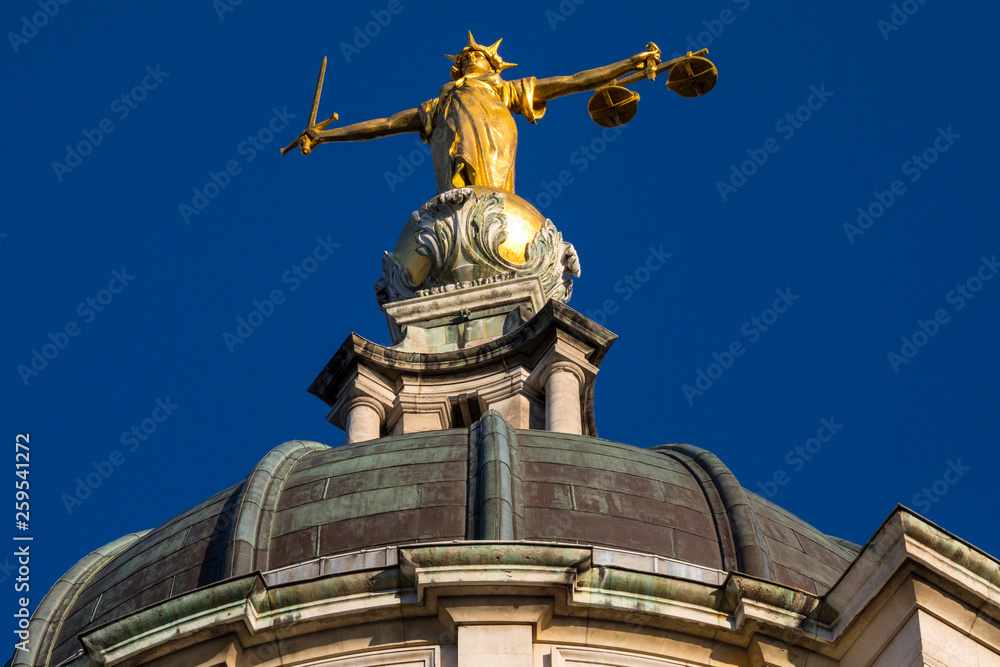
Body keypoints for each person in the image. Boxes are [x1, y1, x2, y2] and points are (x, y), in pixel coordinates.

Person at [290, 32, 660, 195]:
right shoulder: (438, 103)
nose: (469, 58)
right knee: (456, 197)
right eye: (465, 58)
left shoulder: (504, 89)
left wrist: (629, 64)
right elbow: (386, 125)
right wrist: (325, 136)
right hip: (449, 139)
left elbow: (573, 80)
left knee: (494, 196)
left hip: (495, 132)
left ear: (493, 65)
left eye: (477, 56)